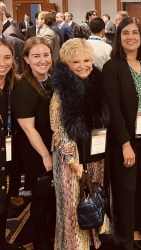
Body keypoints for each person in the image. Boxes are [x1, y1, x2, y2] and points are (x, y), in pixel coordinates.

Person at [102, 17, 141, 250]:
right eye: (125, 33)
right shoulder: (112, 67)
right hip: (125, 140)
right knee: (125, 191)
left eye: (135, 33)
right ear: (119, 37)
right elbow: (113, 109)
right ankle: (124, 240)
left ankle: (134, 227)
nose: (131, 37)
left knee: (139, 188)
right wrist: (125, 143)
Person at [50, 38, 110, 249]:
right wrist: (74, 163)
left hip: (93, 156)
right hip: (71, 161)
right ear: (67, 64)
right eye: (77, 62)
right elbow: (60, 132)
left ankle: (90, 243)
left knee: (90, 204)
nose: (83, 65)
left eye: (87, 60)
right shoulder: (62, 92)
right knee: (71, 210)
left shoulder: (95, 83)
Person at [13, 36, 56, 250]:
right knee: (40, 198)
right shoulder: (23, 87)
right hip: (35, 151)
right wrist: (46, 156)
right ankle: (41, 242)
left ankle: (51, 235)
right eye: (36, 56)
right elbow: (28, 128)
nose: (42, 60)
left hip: (54, 147)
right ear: (27, 59)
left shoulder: (53, 80)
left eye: (46, 55)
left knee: (53, 197)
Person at [0, 38, 23, 250]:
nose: (3, 63)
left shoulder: (14, 85)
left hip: (8, 148)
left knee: (4, 194)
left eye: (7, 57)